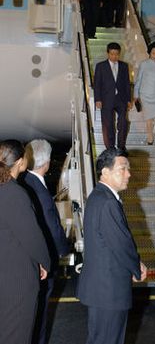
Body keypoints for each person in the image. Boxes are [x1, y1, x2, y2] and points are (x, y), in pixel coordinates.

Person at [76, 147, 147, 344]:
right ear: (105, 172)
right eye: (122, 169)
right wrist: (136, 266)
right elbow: (121, 243)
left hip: (102, 289)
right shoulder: (107, 202)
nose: (129, 174)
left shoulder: (98, 196)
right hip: (109, 290)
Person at [19, 139, 69, 344]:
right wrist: (63, 250)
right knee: (40, 310)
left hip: (26, 258)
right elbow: (51, 226)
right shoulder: (38, 189)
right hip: (42, 259)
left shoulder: (24, 182)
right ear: (46, 162)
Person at [0, 140, 50, 344]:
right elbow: (32, 236)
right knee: (16, 334)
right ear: (20, 162)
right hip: (16, 278)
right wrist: (44, 261)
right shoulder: (14, 193)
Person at [94, 42, 131, 151]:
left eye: (116, 54)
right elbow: (97, 84)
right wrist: (98, 99)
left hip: (121, 99)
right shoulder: (100, 66)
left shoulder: (124, 66)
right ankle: (110, 148)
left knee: (123, 123)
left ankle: (121, 146)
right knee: (108, 125)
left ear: (119, 54)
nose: (114, 56)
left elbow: (126, 83)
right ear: (107, 53)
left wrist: (129, 99)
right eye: (112, 54)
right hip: (106, 99)